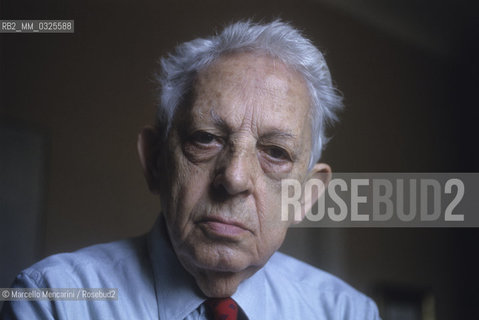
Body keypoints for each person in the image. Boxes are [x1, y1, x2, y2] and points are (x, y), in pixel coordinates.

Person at [1, 20, 380, 319]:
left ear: (307, 196)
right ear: (155, 161)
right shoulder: (53, 302)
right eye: (205, 138)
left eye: (276, 152)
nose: (233, 178)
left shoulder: (348, 313)